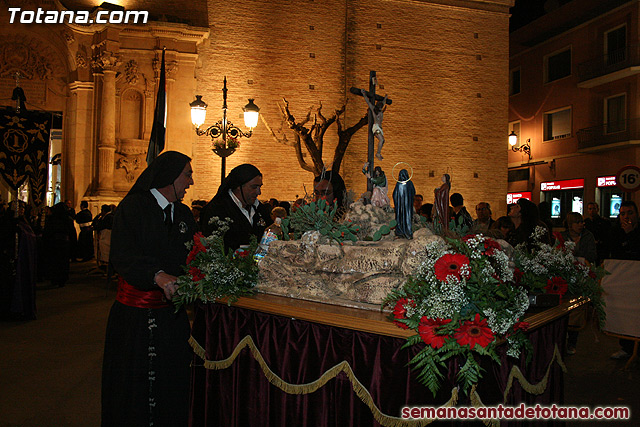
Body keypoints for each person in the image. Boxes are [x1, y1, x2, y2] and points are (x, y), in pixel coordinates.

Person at [102, 151, 197, 427]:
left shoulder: (183, 213)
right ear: (170, 176)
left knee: (173, 384)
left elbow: (193, 254)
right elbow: (122, 255)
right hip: (134, 322)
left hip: (173, 320)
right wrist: (157, 276)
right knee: (133, 391)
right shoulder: (132, 208)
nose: (190, 182)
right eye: (187, 175)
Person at [199, 163, 272, 251]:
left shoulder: (260, 209)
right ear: (238, 187)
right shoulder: (218, 210)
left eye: (259, 187)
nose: (258, 192)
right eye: (254, 187)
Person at [608, 201, 640, 360]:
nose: (626, 217)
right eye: (623, 214)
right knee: (625, 312)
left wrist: (632, 234)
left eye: (630, 213)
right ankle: (626, 347)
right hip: (624, 278)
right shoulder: (615, 232)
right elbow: (616, 253)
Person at [42, 202, 77, 287]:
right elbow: (72, 233)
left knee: (55, 262)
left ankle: (55, 279)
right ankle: (62, 279)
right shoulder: (67, 219)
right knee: (63, 262)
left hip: (54, 243)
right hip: (64, 243)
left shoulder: (52, 219)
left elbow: (47, 231)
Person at [361, 89, 388, 160]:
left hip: (380, 128)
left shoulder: (380, 110)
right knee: (381, 140)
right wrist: (364, 94)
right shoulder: (374, 109)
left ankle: (379, 152)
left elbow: (384, 102)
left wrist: (385, 97)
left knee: (383, 141)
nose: (380, 109)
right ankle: (378, 153)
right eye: (380, 108)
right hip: (376, 127)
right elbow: (368, 102)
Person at [393, 169, 416, 239]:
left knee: (400, 217)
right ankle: (407, 232)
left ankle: (400, 232)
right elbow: (413, 192)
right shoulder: (410, 183)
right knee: (407, 217)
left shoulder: (398, 184)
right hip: (407, 206)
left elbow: (394, 195)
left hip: (400, 206)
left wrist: (397, 202)